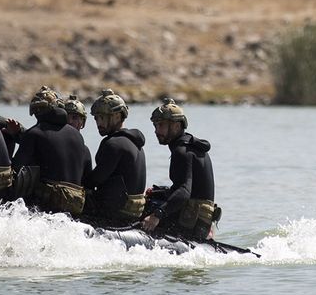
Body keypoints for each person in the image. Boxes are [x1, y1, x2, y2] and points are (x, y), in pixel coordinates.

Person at [141, 97, 219, 242]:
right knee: (155, 196)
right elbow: (190, 189)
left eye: (161, 125)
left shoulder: (181, 152)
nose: (156, 131)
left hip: (191, 223)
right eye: (155, 126)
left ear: (176, 126)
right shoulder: (192, 146)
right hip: (202, 222)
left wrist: (156, 215)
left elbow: (184, 192)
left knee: (147, 207)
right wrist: (160, 192)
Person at [11, 86, 93, 216]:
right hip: (74, 207)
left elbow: (16, 169)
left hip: (46, 205)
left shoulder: (34, 133)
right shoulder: (78, 137)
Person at [82, 89, 147, 227]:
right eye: (96, 118)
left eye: (102, 117)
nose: (98, 123)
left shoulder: (113, 144)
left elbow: (95, 179)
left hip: (115, 212)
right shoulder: (135, 143)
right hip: (134, 211)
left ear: (117, 116)